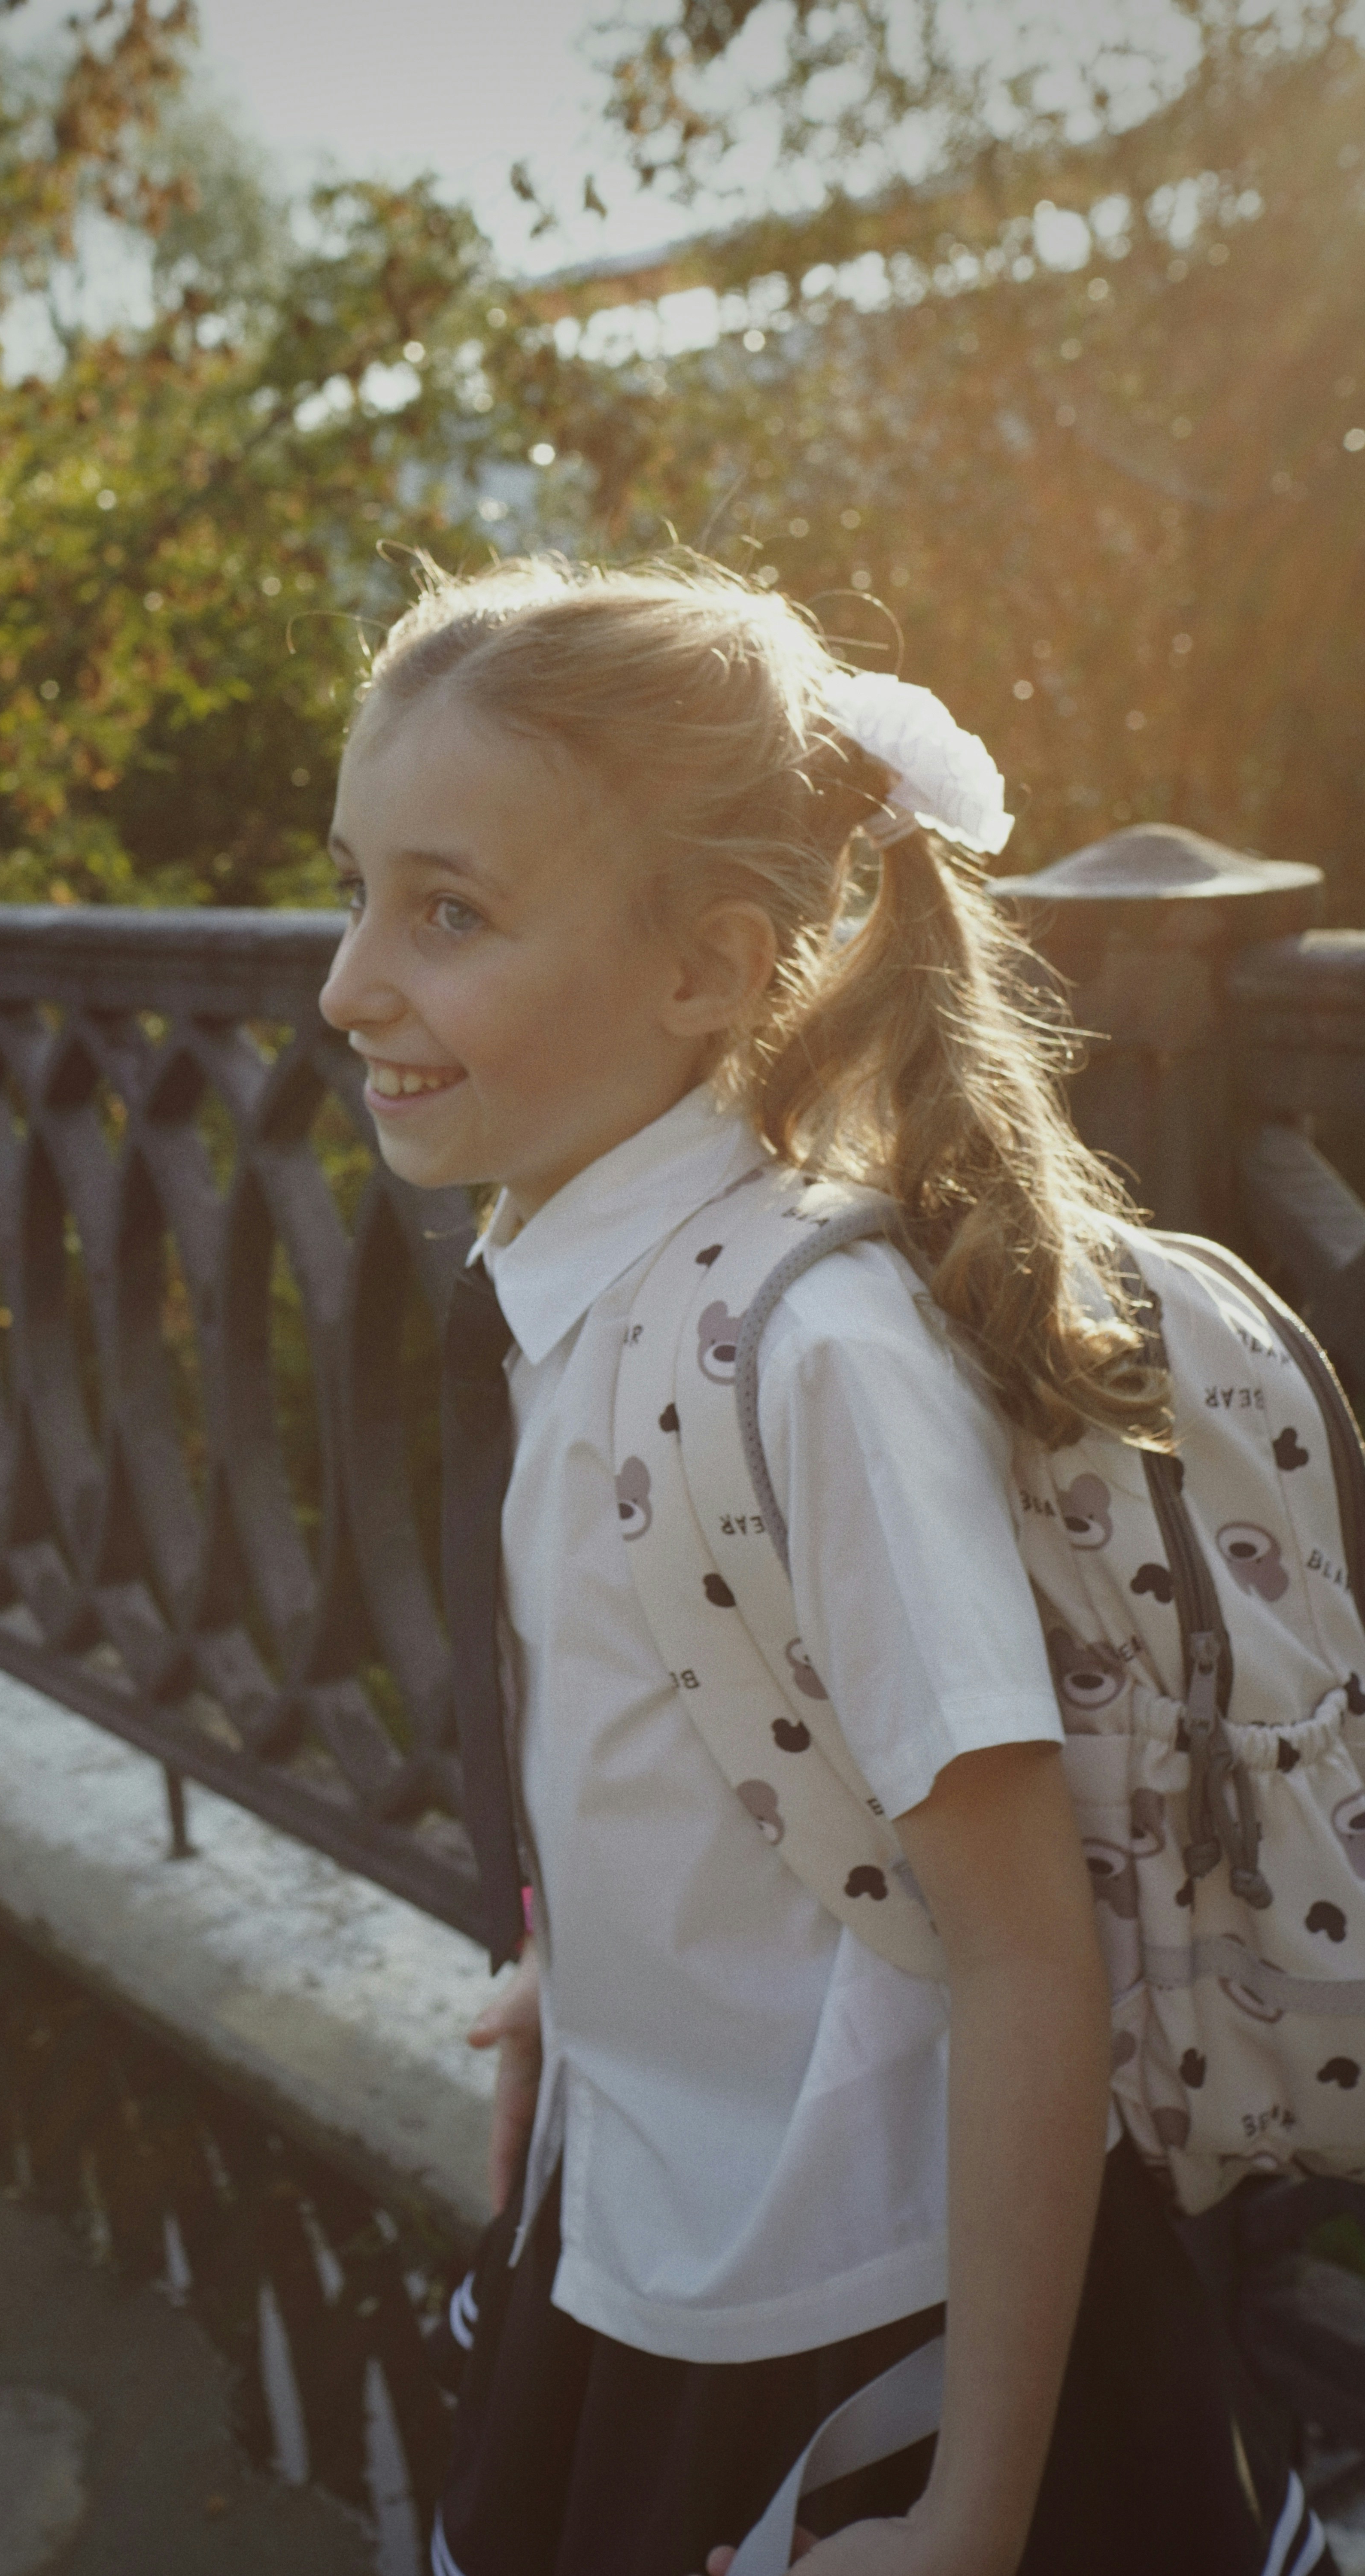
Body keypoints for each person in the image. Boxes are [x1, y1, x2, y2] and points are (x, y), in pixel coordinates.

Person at [316, 555, 1334, 2576]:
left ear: (707, 967)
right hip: (663, 2204)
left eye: (445, 914)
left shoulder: (813, 1358)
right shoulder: (586, 1275)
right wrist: (579, 1979)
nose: (346, 983)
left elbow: (1025, 1957)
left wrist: (968, 2523)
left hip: (857, 2309)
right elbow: (709, 1748)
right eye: (352, 886)